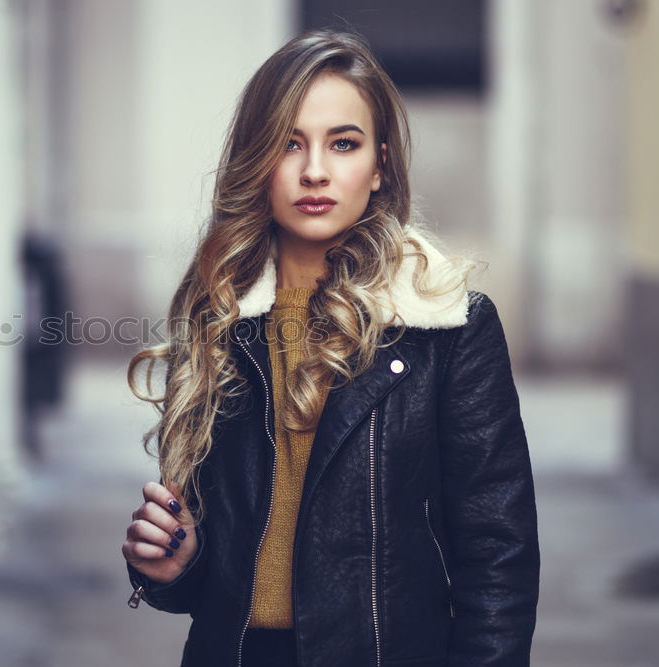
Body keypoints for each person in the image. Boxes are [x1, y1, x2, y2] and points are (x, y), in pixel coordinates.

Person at [120, 28, 540, 667]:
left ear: (380, 166)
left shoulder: (451, 327)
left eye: (343, 143)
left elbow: (497, 552)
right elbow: (212, 574)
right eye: (289, 144)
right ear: (256, 163)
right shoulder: (220, 322)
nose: (315, 170)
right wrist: (174, 566)